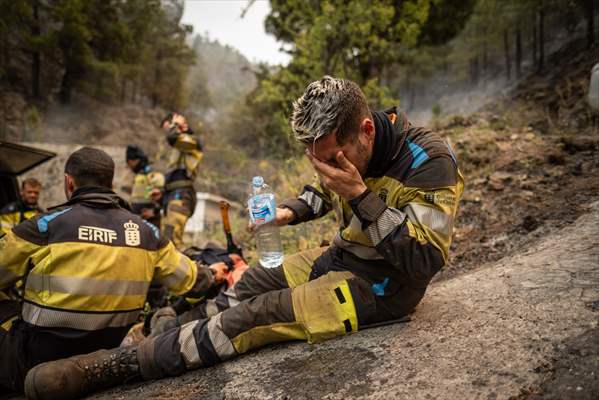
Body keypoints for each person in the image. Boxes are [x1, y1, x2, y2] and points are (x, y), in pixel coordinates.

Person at [23, 77, 464, 400]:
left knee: (253, 317)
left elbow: (423, 260)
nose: (324, 168)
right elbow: (324, 192)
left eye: (331, 160)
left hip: (384, 287)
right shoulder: (347, 146)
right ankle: (155, 333)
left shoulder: (429, 161)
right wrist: (288, 210)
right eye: (314, 159)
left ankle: (119, 367)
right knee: (252, 280)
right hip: (342, 256)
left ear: (366, 131)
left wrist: (358, 194)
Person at [0, 147, 228, 395]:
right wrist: (213, 273)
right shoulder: (148, 233)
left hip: (31, 360)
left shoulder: (44, 226)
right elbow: (192, 282)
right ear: (110, 183)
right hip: (101, 359)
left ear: (69, 182)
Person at [159, 113, 204, 249]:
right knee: (166, 240)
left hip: (181, 195)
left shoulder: (192, 142)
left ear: (182, 125)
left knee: (173, 242)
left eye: (171, 127)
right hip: (172, 195)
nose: (169, 132)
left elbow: (173, 137)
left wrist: (176, 125)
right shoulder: (178, 149)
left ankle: (194, 268)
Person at [125, 144, 164, 228]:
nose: (129, 165)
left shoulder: (151, 174)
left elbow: (162, 194)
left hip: (150, 221)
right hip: (138, 219)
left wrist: (155, 211)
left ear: (136, 160)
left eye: (130, 162)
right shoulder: (139, 175)